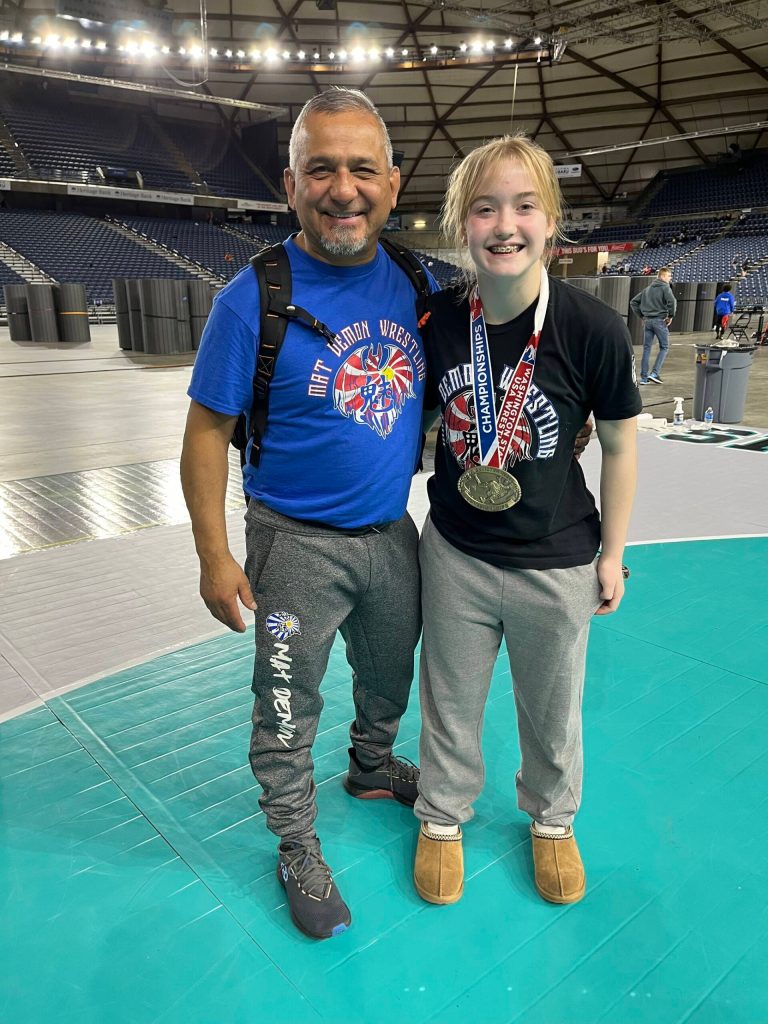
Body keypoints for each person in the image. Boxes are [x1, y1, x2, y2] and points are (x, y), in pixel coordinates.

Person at [180, 88, 436, 941]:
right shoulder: (248, 299)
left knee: (390, 675)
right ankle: (294, 842)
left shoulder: (416, 280)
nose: (343, 188)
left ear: (393, 185)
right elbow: (207, 434)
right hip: (293, 544)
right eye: (320, 168)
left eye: (362, 168)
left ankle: (370, 767)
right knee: (287, 702)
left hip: (393, 533)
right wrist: (216, 557)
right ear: (291, 185)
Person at [410, 134, 640, 907]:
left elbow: (619, 444)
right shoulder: (437, 320)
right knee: (449, 701)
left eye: (523, 205)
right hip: (457, 554)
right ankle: (441, 819)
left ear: (551, 221)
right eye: (484, 209)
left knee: (552, 711)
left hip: (558, 561)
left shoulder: (591, 328)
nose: (504, 224)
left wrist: (612, 553)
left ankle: (551, 821)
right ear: (462, 224)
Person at [630, 267, 676, 384]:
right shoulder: (665, 288)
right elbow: (672, 302)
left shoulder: (647, 289)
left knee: (647, 348)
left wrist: (642, 316)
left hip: (648, 322)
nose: (670, 278)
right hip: (659, 321)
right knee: (664, 347)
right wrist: (670, 316)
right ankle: (655, 373)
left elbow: (633, 302)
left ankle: (644, 378)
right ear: (663, 276)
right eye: (669, 276)